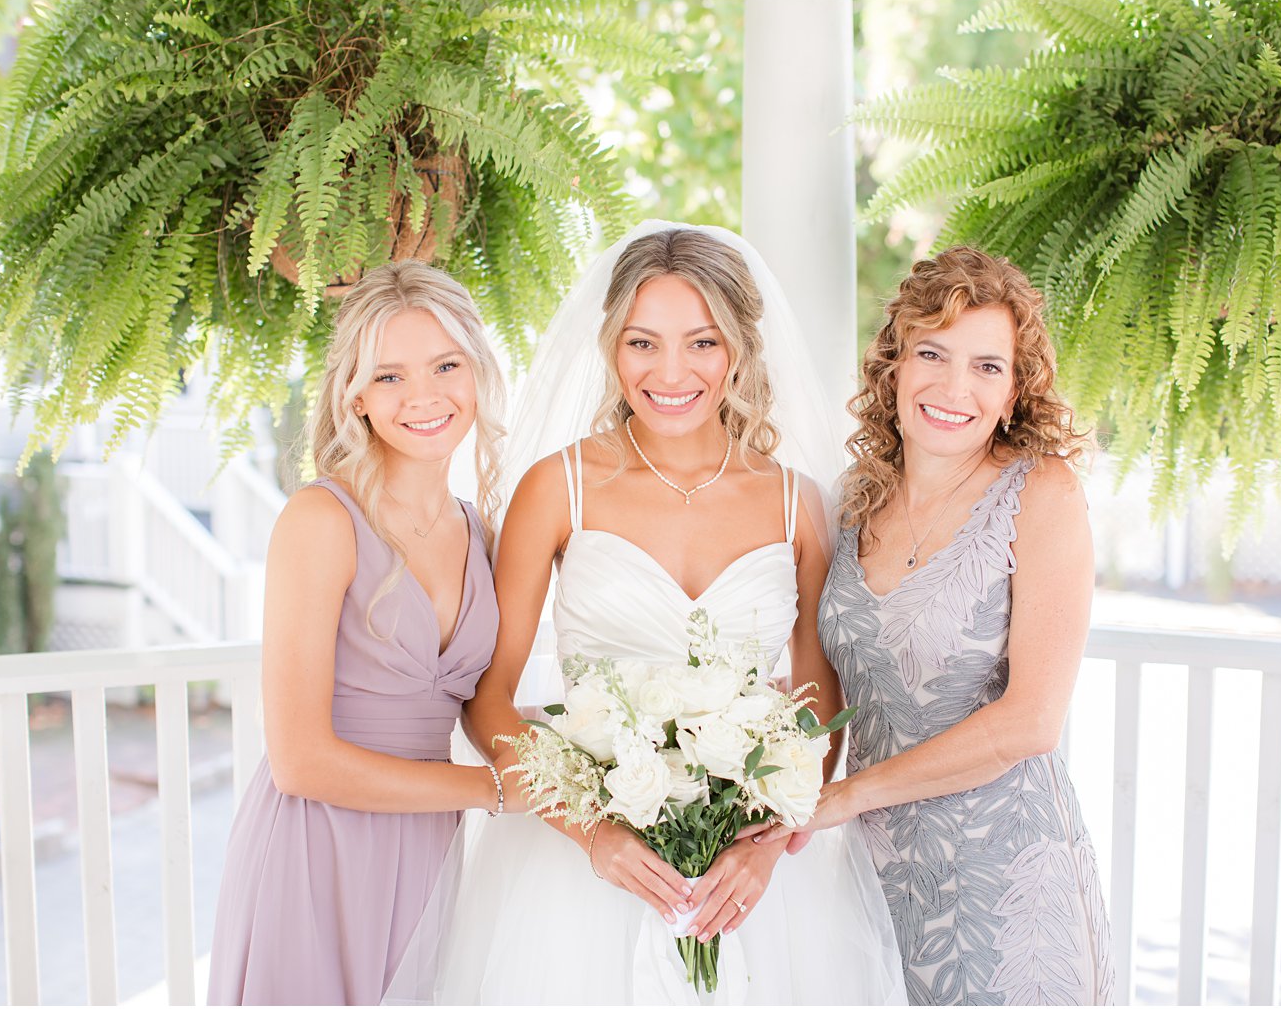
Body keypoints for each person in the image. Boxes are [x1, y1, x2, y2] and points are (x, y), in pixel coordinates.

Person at [382, 223, 904, 1005]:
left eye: (700, 342)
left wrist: (768, 844)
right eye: (641, 342)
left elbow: (819, 703)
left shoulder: (799, 504)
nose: (670, 372)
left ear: (738, 349)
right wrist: (593, 830)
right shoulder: (557, 488)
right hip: (579, 874)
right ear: (611, 347)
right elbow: (488, 699)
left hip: (750, 881)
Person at [761, 246, 1115, 1005]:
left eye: (988, 365)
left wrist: (847, 796)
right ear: (893, 366)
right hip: (873, 882)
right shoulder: (848, 498)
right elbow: (819, 684)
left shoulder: (1042, 494)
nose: (955, 386)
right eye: (933, 353)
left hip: (1009, 890)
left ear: (1016, 390)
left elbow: (1031, 721)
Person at [208, 261, 508, 1005]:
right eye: (391, 376)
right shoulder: (321, 520)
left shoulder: (479, 530)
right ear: (355, 394)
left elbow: (470, 700)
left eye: (445, 364)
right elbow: (299, 761)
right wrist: (493, 789)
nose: (425, 396)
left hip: (428, 850)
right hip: (318, 852)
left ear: (477, 371)